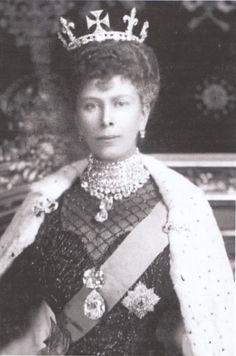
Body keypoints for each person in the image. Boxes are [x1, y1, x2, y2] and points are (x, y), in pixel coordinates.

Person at [0, 7, 234, 356]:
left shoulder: (182, 207)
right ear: (76, 116)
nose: (107, 119)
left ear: (144, 111)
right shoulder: (44, 204)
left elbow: (207, 330)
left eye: (120, 103)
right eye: (91, 105)